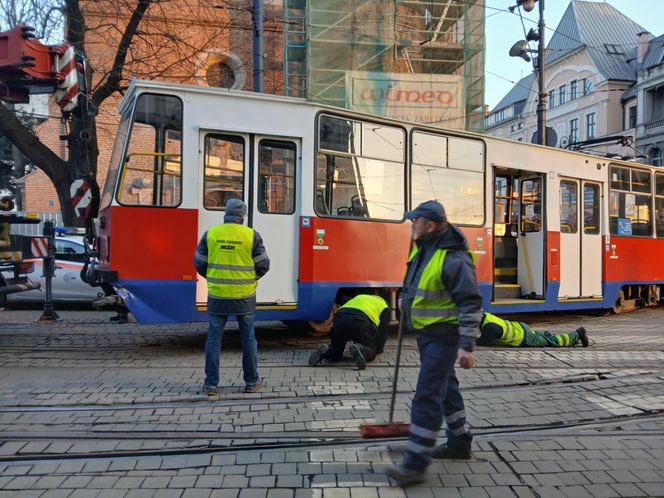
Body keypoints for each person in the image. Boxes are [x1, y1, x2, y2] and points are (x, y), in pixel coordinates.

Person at [386, 200, 482, 487]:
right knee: (447, 389)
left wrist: (467, 346)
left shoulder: (453, 258)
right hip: (429, 334)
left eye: (414, 221)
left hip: (444, 335)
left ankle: (415, 464)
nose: (411, 225)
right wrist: (406, 297)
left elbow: (470, 303)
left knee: (427, 396)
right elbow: (417, 282)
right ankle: (459, 441)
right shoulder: (426, 248)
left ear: (429, 225)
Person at [193, 198, 270, 395]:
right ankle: (251, 383)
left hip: (218, 295)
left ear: (225, 214)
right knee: (249, 339)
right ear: (242, 216)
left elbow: (199, 262)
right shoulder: (251, 235)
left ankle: (210, 385)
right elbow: (263, 265)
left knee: (213, 340)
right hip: (244, 296)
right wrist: (251, 278)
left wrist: (213, 277)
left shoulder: (211, 234)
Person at [308, 294, 390, 370]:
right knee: (371, 351)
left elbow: (342, 299)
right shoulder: (383, 305)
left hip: (340, 318)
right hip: (359, 321)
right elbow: (383, 331)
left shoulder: (359, 297)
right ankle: (360, 349)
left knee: (336, 351)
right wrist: (378, 349)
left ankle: (327, 351)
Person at [478, 312, 589, 348]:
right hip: (520, 327)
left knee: (553, 342)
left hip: (525, 338)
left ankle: (577, 334)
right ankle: (544, 334)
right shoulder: (486, 316)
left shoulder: (490, 328)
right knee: (541, 337)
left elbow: (483, 342)